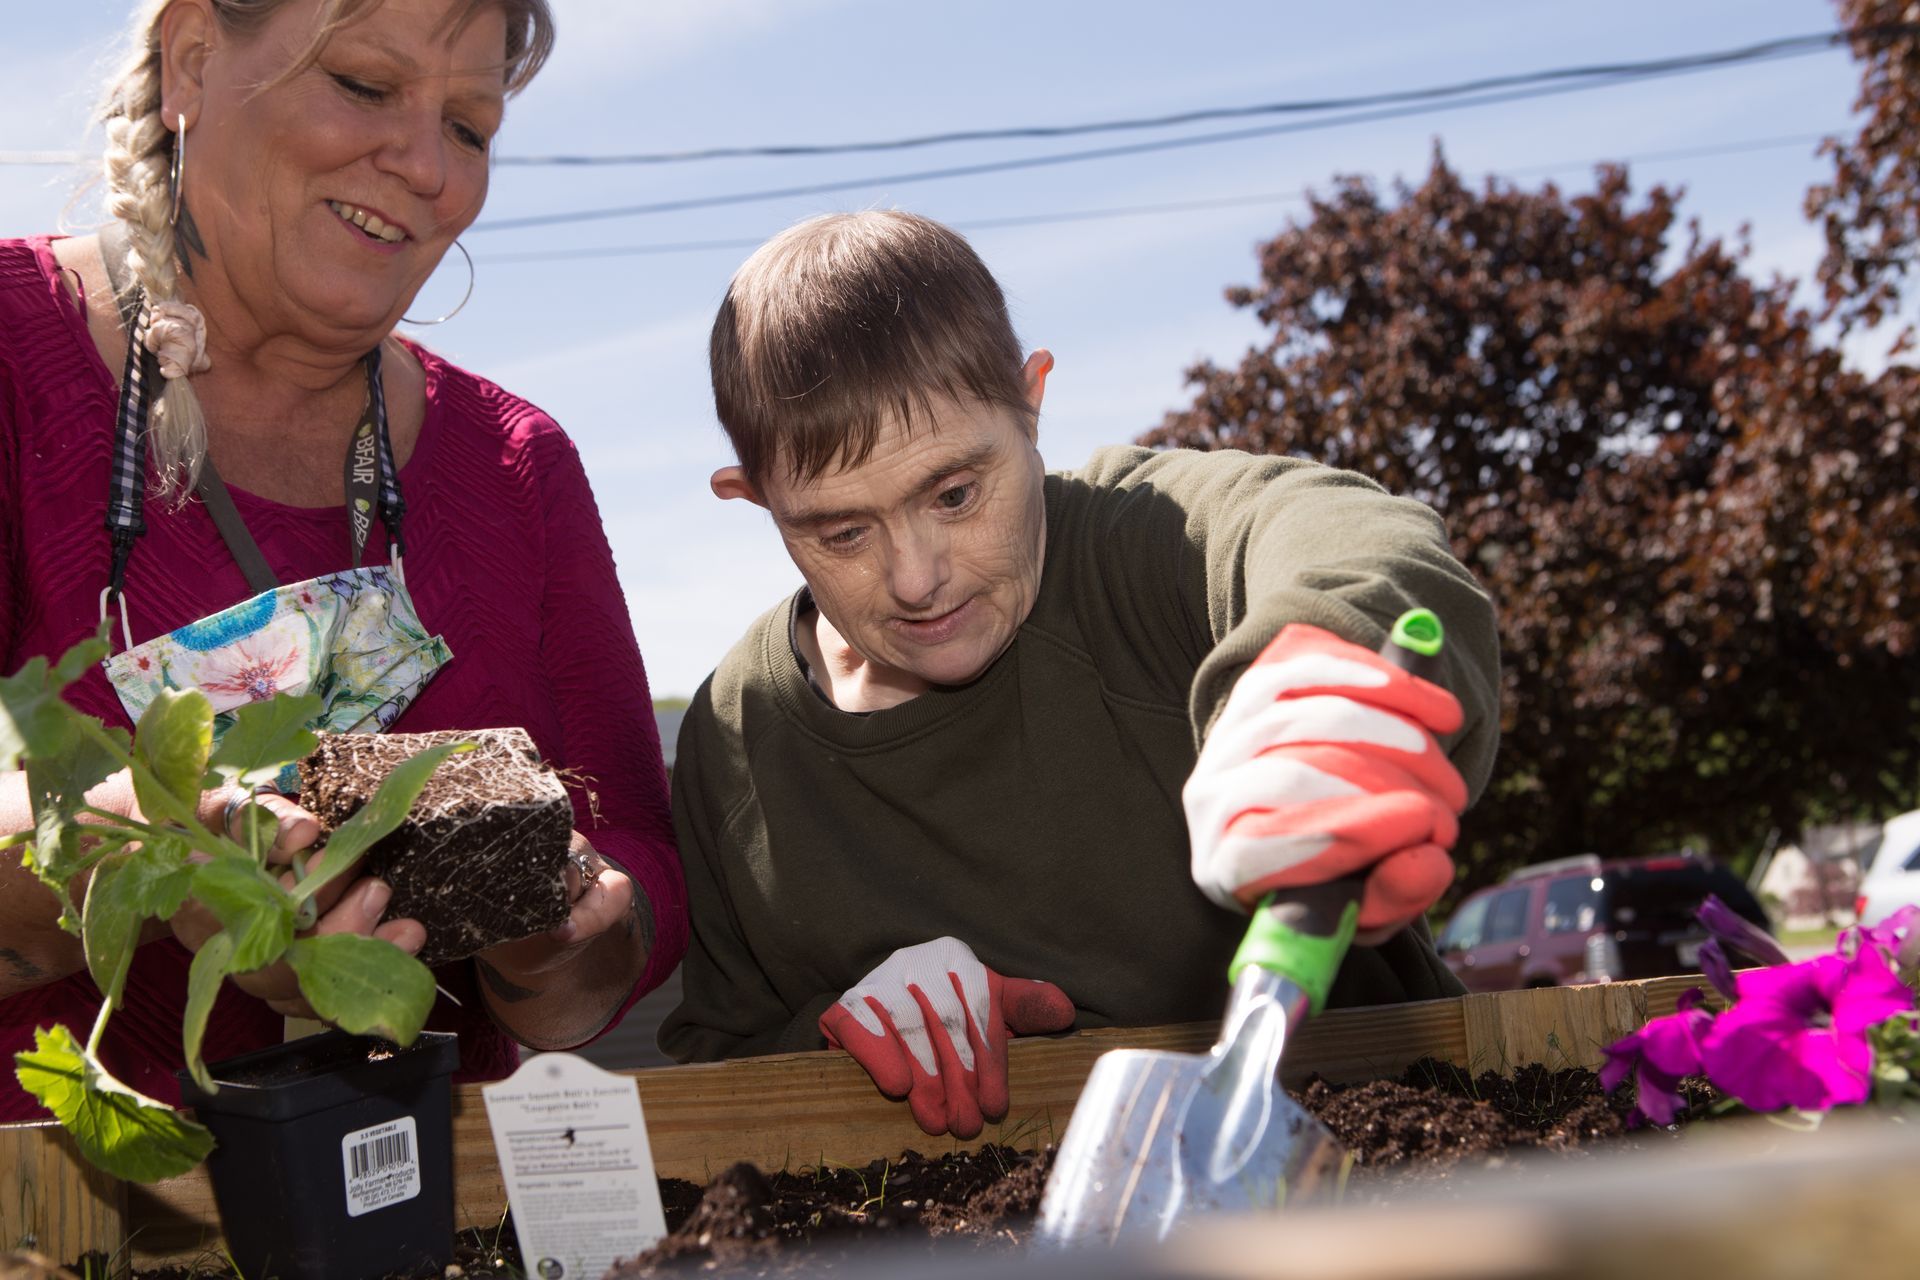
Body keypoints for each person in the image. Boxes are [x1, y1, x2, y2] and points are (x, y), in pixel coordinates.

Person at [660, 211, 1501, 1140]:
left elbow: (1353, 538)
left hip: (1380, 1153)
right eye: (842, 531)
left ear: (1031, 403)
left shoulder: (1146, 550)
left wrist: (1308, 685)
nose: (916, 575)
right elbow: (719, 1075)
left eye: (955, 494)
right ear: (755, 498)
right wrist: (837, 1041)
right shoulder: (735, 739)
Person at [0, 0, 684, 1121]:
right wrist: (154, 844)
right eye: (367, 85)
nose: (425, 167)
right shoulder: (13, 355)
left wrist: (556, 953)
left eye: (468, 126)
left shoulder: (519, 466)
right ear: (193, 58)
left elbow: (639, 858)